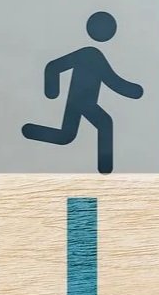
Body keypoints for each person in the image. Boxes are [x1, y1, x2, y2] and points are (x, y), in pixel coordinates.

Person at [20, 11, 144, 174]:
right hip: (83, 102)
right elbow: (54, 67)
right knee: (104, 123)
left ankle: (30, 130)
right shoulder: (90, 54)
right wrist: (52, 90)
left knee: (67, 135)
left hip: (81, 102)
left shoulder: (91, 55)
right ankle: (105, 168)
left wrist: (134, 91)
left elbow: (111, 80)